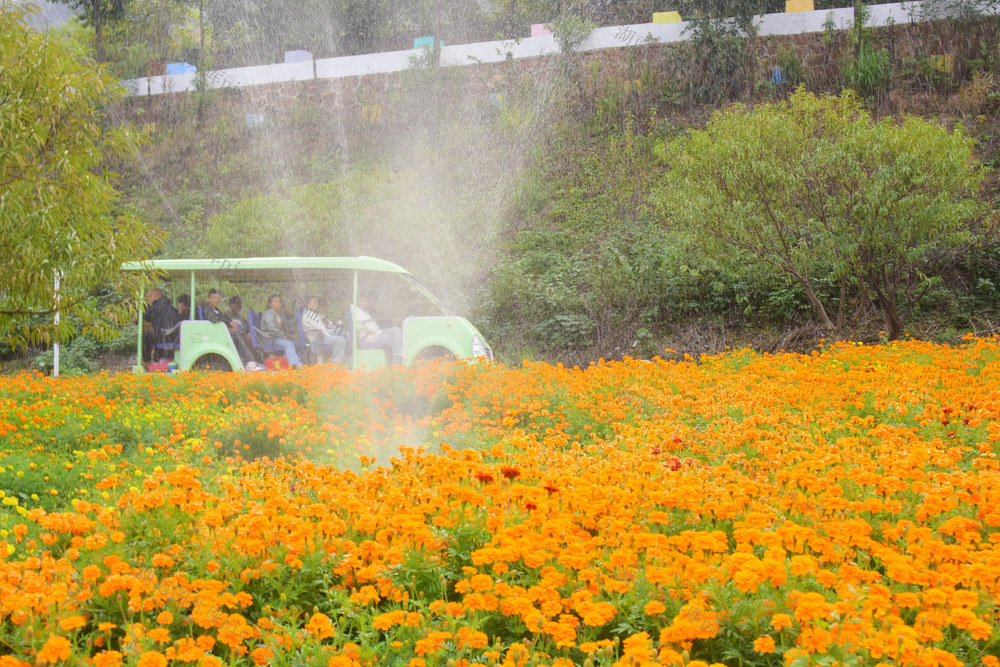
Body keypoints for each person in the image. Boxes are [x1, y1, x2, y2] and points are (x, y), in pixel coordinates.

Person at [204, 288, 255, 365]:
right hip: (214, 335)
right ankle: (247, 361)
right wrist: (228, 329)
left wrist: (231, 323)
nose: (216, 300)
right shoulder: (207, 310)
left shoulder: (218, 311)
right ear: (209, 299)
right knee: (237, 336)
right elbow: (214, 319)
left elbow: (224, 319)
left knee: (240, 336)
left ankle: (247, 360)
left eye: (218, 298)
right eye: (214, 298)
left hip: (221, 334)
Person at [352, 291, 403, 365]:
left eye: (366, 301)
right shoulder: (357, 312)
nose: (366, 303)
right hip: (369, 336)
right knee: (391, 338)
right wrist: (371, 331)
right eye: (363, 301)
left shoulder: (365, 312)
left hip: (377, 332)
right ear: (358, 302)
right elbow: (358, 325)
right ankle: (397, 363)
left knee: (396, 329)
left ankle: (400, 352)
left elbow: (373, 323)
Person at [260, 295, 303, 367]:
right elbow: (272, 328)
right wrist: (283, 335)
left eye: (279, 301)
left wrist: (298, 317)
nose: (278, 303)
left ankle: (288, 362)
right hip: (270, 339)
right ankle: (295, 364)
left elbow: (288, 323)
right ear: (270, 304)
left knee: (297, 344)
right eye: (275, 302)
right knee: (289, 344)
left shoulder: (279, 314)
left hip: (277, 339)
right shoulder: (268, 314)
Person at [301, 296, 346, 363]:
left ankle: (344, 355)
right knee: (341, 340)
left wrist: (333, 329)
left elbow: (323, 327)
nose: (316, 304)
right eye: (314, 302)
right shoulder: (309, 314)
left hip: (321, 335)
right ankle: (335, 363)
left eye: (317, 302)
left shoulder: (312, 313)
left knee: (342, 331)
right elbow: (321, 329)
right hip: (316, 339)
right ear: (308, 305)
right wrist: (332, 335)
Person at [142, 288, 181, 363]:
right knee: (152, 335)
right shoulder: (166, 304)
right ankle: (157, 358)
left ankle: (146, 360)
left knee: (146, 337)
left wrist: (138, 314)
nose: (148, 299)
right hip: (174, 335)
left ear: (155, 296)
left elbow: (144, 316)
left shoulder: (157, 305)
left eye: (149, 296)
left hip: (167, 336)